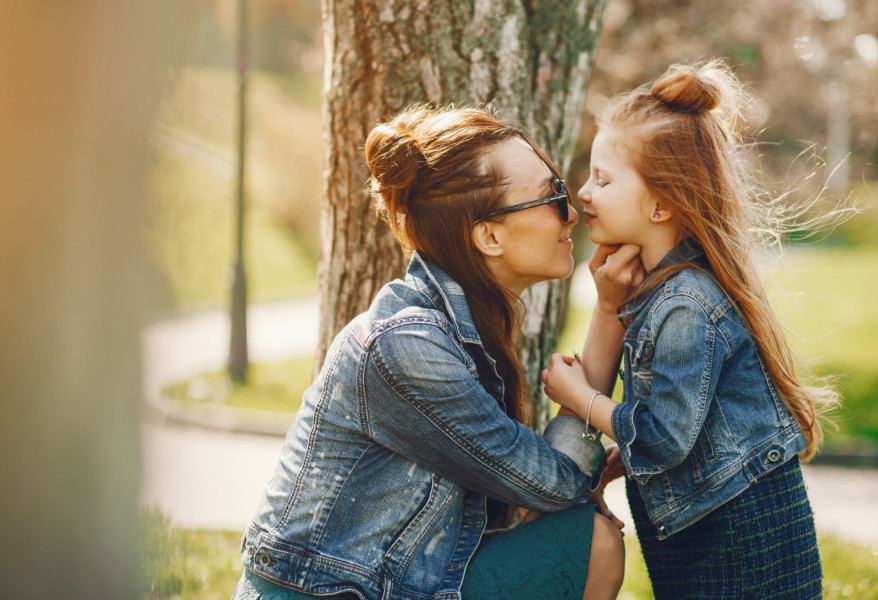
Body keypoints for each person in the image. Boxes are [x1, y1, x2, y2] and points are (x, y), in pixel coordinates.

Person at [232, 105, 639, 600]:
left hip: (389, 587)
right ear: (489, 237)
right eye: (552, 196)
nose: (571, 213)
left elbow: (537, 493)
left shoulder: (464, 333)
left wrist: (610, 307)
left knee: (579, 538)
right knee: (591, 542)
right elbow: (552, 483)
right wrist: (606, 323)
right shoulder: (407, 347)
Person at [542, 60, 837, 599]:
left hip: (741, 542)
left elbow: (664, 438)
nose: (583, 192)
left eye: (603, 179)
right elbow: (688, 424)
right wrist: (624, 456)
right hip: (710, 528)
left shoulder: (685, 304)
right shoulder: (661, 292)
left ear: (661, 204)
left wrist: (581, 399)